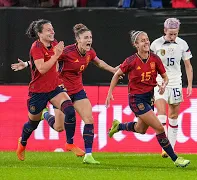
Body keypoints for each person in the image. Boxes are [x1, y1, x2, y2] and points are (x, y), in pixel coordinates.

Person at [12, 23, 120, 164]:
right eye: (86, 37)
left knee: (82, 116)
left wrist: (113, 70)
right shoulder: (58, 50)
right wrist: (27, 64)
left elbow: (99, 63)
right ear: (78, 39)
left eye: (90, 37)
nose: (89, 40)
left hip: (63, 90)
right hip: (44, 91)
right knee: (50, 126)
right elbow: (43, 64)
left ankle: (82, 151)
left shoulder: (85, 51)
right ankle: (29, 135)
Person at [105, 30, 190, 167]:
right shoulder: (131, 61)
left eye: (147, 39)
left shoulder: (155, 59)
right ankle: (175, 159)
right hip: (136, 99)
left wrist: (164, 85)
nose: (146, 42)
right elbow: (117, 75)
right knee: (159, 128)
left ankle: (118, 126)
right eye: (143, 40)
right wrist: (110, 92)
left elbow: (165, 77)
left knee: (141, 129)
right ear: (136, 44)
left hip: (149, 98)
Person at [16, 19, 78, 162]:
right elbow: (42, 68)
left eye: (52, 28)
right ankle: (23, 143)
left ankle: (69, 143)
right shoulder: (36, 47)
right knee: (32, 124)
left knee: (69, 110)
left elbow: (55, 62)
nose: (52, 31)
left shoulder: (54, 43)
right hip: (38, 91)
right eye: (48, 30)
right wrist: (56, 55)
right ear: (40, 33)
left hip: (54, 88)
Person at [150, 18, 193, 158]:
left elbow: (188, 65)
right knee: (161, 113)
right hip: (159, 82)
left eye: (175, 34)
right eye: (170, 34)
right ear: (164, 31)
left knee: (173, 116)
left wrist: (190, 85)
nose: (173, 37)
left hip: (175, 83)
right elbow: (148, 64)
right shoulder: (155, 45)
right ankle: (165, 146)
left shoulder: (182, 44)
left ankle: (171, 148)